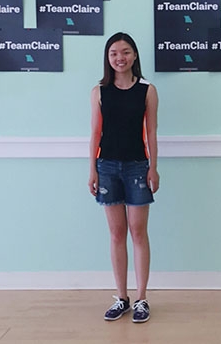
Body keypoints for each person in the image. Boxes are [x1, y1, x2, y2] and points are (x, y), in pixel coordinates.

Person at [88, 32, 160, 323]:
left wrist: (153, 167)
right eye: (114, 53)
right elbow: (95, 133)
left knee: (138, 232)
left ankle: (142, 298)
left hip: (137, 167)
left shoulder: (147, 90)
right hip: (106, 167)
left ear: (134, 55)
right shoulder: (99, 91)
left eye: (126, 52)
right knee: (116, 234)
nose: (120, 58)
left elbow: (152, 132)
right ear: (108, 58)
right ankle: (122, 297)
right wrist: (92, 168)